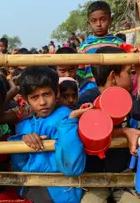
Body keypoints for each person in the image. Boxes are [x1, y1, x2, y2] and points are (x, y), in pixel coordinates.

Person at [8, 66, 88, 203]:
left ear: (56, 91)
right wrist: (22, 140)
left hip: (62, 192)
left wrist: (69, 123)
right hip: (31, 189)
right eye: (35, 97)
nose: (43, 102)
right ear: (26, 100)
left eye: (46, 94)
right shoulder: (23, 125)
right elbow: (19, 167)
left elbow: (72, 168)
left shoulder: (67, 119)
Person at [78, 47, 140, 203]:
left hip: (122, 176)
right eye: (130, 73)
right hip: (94, 178)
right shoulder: (88, 98)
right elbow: (91, 130)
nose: (132, 77)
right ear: (113, 76)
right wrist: (123, 131)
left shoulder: (126, 98)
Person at [77, 1, 125, 96]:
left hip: (114, 87)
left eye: (103, 20)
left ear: (110, 20)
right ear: (89, 23)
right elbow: (80, 72)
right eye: (94, 21)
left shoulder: (118, 43)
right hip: (91, 87)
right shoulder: (84, 46)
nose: (98, 24)